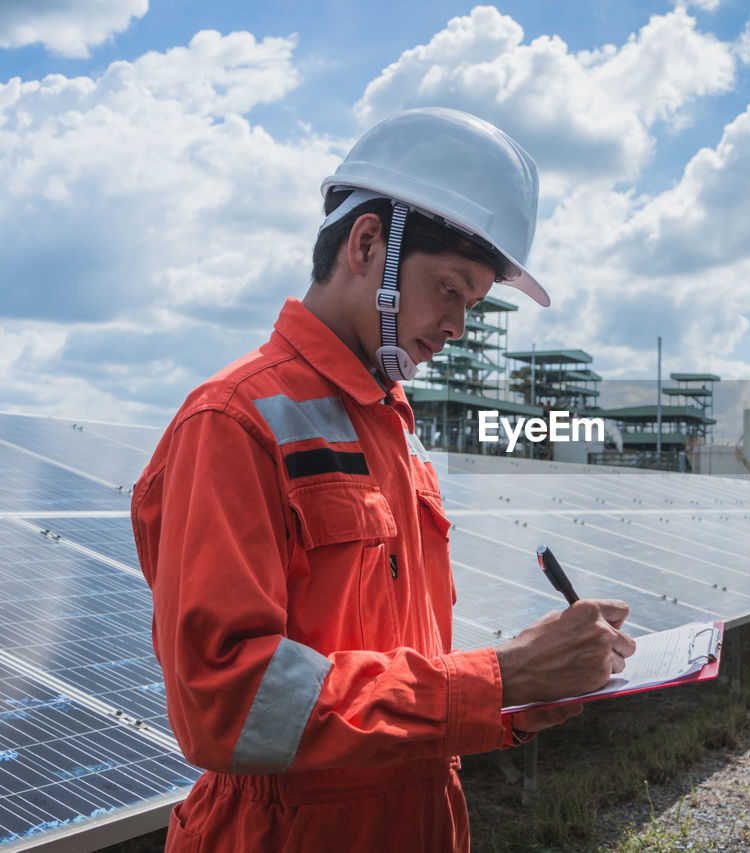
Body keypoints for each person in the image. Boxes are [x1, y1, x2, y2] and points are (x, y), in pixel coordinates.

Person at [131, 107, 637, 852]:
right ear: (367, 243)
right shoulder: (234, 421)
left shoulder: (389, 423)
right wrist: (495, 678)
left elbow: (404, 670)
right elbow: (227, 702)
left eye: (473, 302)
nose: (460, 325)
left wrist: (524, 692)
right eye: (450, 289)